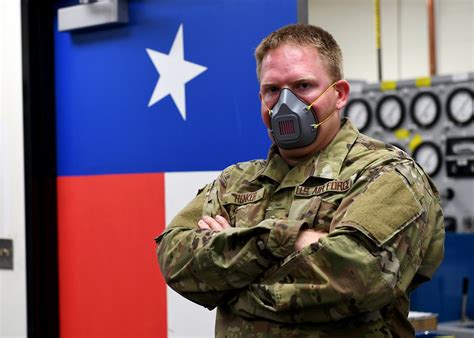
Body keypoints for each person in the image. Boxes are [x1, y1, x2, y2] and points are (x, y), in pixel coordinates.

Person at [155, 24, 445, 337]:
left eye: (303, 85)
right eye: (272, 90)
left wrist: (231, 280)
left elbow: (359, 275)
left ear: (339, 94)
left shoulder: (388, 173)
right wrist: (292, 240)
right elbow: (175, 260)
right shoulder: (235, 182)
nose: (286, 103)